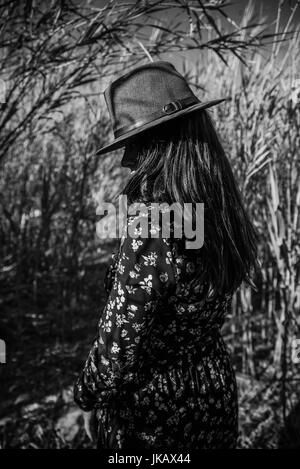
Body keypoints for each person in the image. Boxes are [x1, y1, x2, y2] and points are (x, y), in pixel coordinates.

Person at [73, 61, 259, 449]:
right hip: (212, 392)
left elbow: (116, 349)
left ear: (161, 145)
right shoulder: (219, 209)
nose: (126, 161)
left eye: (134, 144)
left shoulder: (152, 227)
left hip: (155, 414)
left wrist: (87, 398)